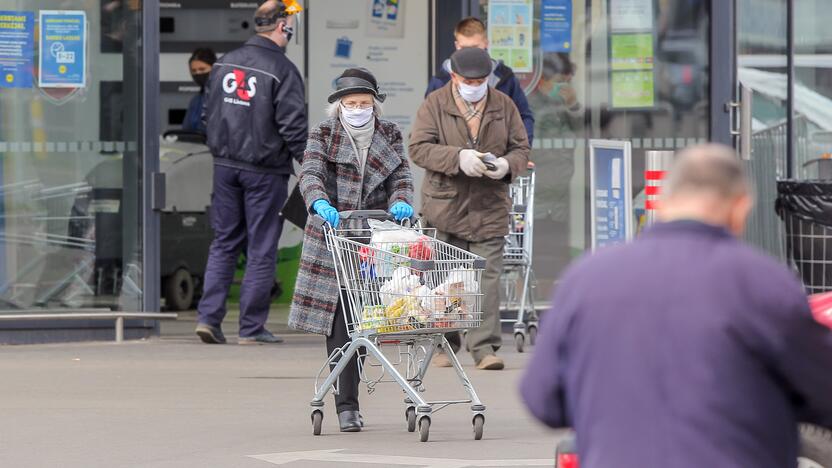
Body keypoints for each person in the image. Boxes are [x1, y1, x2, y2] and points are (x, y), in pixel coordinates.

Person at [520, 144, 832, 468]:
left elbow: (542, 399)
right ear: (741, 206)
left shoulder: (585, 279)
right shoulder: (763, 283)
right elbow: (822, 390)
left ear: (662, 202)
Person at [288, 67, 414, 432]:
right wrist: (319, 204)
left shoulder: (389, 133)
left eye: (364, 103)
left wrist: (402, 200)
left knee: (367, 320)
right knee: (341, 321)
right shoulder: (324, 133)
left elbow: (401, 176)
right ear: (339, 105)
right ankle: (347, 404)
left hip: (374, 236)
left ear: (374, 104)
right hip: (333, 235)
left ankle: (350, 396)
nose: (358, 108)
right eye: (351, 103)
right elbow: (309, 174)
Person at [409, 47, 530, 371]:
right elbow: (418, 148)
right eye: (468, 80)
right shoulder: (435, 104)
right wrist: (457, 158)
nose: (475, 85)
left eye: (481, 80)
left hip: (489, 205)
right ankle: (445, 344)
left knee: (486, 279)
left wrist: (506, 165)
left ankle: (484, 348)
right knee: (446, 278)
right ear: (454, 77)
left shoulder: (504, 105)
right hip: (445, 204)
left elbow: (521, 147)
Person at [196, 0, 307, 345]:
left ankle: (208, 319)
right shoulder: (282, 69)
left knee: (224, 242)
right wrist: (310, 163)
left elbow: (205, 115)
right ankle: (251, 328)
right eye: (289, 22)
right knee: (261, 246)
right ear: (282, 27)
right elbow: (292, 126)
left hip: (224, 167)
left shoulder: (223, 63)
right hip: (265, 170)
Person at [425, 17, 534, 145]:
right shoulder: (440, 80)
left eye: (475, 48)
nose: (470, 54)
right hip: (452, 159)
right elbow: (428, 126)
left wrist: (521, 153)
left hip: (497, 157)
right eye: (464, 48)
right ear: (457, 45)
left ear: (486, 43)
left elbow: (523, 117)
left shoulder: (504, 77)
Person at [526, 53, 582, 224]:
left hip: (562, 184)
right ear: (541, 80)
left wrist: (573, 105)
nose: (564, 87)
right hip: (541, 182)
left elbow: (581, 130)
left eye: (568, 82)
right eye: (559, 82)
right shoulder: (531, 104)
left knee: (560, 230)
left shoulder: (565, 103)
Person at [182, 48, 216, 134]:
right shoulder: (195, 100)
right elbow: (186, 130)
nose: (198, 73)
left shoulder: (226, 97)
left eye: (202, 69)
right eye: (194, 71)